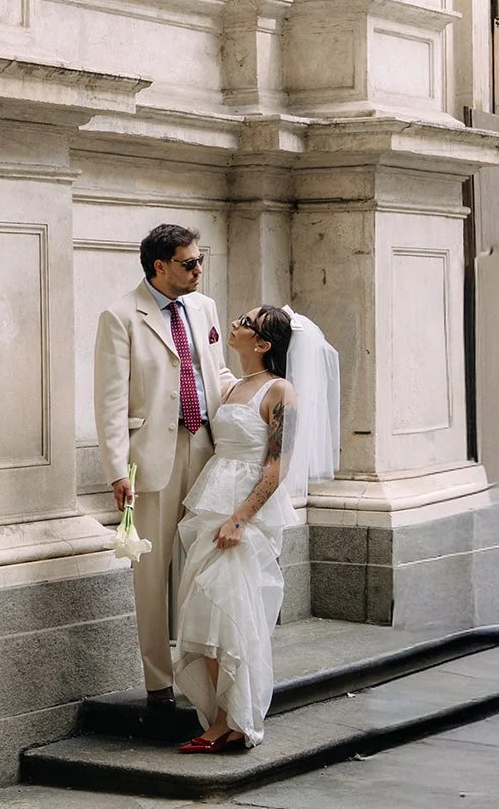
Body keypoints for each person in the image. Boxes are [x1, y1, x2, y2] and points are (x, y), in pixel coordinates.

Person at [173, 304, 340, 751]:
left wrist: (240, 518)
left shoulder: (280, 391)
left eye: (245, 323)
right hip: (212, 499)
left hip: (242, 513)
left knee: (230, 613)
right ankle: (224, 716)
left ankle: (231, 721)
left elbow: (277, 465)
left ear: (264, 344)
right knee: (205, 611)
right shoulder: (232, 385)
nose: (235, 324)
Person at [94, 223, 238, 703]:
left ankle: (203, 676)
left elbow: (216, 372)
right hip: (152, 457)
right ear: (160, 266)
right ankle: (159, 682)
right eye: (189, 263)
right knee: (152, 573)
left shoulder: (204, 307)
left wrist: (254, 396)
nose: (199, 270)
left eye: (200, 261)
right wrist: (117, 469)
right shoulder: (120, 317)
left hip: (208, 447)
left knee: (206, 565)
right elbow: (110, 402)